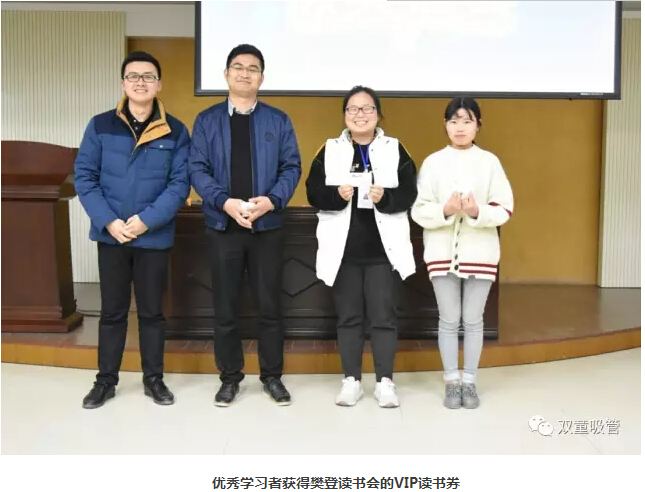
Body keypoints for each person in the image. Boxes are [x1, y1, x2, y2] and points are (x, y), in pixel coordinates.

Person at [74, 51, 190, 409]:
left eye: (148, 76)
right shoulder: (100, 125)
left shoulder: (176, 130)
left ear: (159, 84)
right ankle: (105, 381)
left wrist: (146, 220)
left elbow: (179, 184)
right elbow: (85, 177)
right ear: (123, 83)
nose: (141, 82)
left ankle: (154, 379)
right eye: (134, 76)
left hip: (153, 236)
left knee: (152, 313)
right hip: (111, 235)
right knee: (112, 312)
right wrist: (109, 221)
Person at [188, 44, 302, 407]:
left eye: (253, 68)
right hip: (223, 226)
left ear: (261, 78)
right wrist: (225, 202)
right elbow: (197, 169)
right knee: (225, 308)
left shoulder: (278, 120)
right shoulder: (207, 120)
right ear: (226, 74)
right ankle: (229, 378)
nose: (244, 73)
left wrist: (272, 200)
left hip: (266, 226)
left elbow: (291, 167)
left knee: (270, 307)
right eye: (238, 67)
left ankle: (272, 377)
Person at [306, 86, 418, 408]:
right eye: (353, 109)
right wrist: (335, 195)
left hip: (383, 253)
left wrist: (387, 198)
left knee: (383, 318)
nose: (360, 115)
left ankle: (385, 382)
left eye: (367, 108)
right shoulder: (329, 149)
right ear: (345, 115)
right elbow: (313, 192)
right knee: (349, 318)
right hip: (343, 252)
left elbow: (410, 193)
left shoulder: (396, 149)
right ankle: (351, 380)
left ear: (378, 114)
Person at [411, 96, 513, 409]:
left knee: (472, 319)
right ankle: (451, 382)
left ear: (478, 125)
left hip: (480, 254)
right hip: (441, 253)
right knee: (448, 318)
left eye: (467, 121)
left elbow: (505, 208)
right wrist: (445, 209)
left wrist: (475, 211)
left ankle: (469, 381)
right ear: (445, 125)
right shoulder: (433, 162)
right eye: (454, 121)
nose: (460, 127)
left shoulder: (490, 162)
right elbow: (419, 209)